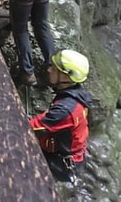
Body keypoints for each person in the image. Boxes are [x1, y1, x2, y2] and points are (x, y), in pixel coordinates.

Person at [29, 49, 92, 182]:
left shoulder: (65, 110)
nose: (49, 70)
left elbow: (28, 128)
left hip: (60, 164)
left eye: (54, 68)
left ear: (64, 77)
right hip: (68, 154)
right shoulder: (76, 96)